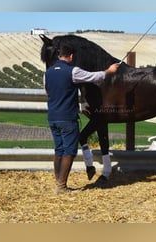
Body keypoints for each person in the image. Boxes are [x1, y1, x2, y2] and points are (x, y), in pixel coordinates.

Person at [44, 43, 119, 194]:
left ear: (58, 56)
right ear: (70, 56)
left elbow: (48, 90)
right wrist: (109, 71)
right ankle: (61, 186)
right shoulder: (73, 71)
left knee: (59, 150)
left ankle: (58, 181)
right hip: (67, 117)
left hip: (52, 117)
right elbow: (93, 76)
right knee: (70, 151)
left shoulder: (47, 73)